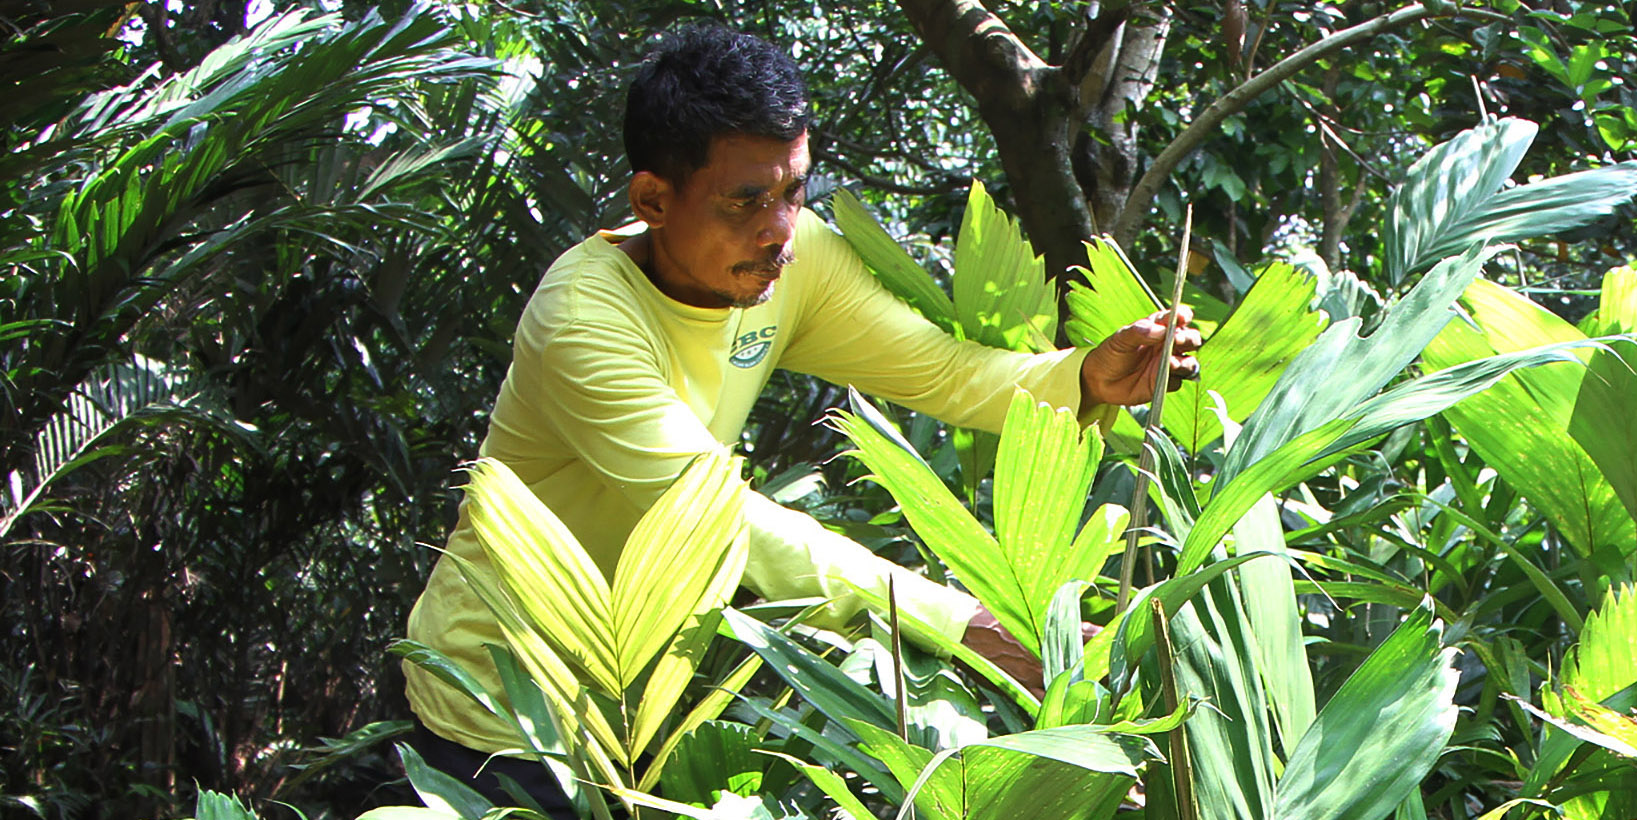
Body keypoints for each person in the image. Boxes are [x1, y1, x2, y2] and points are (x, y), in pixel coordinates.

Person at [400, 21, 1198, 779]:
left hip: (638, 701)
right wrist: (967, 627)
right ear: (653, 200)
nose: (779, 227)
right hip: (499, 703)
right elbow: (717, 525)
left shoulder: (794, 260)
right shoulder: (583, 321)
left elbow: (940, 369)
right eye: (744, 200)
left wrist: (1082, 379)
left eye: (794, 190)